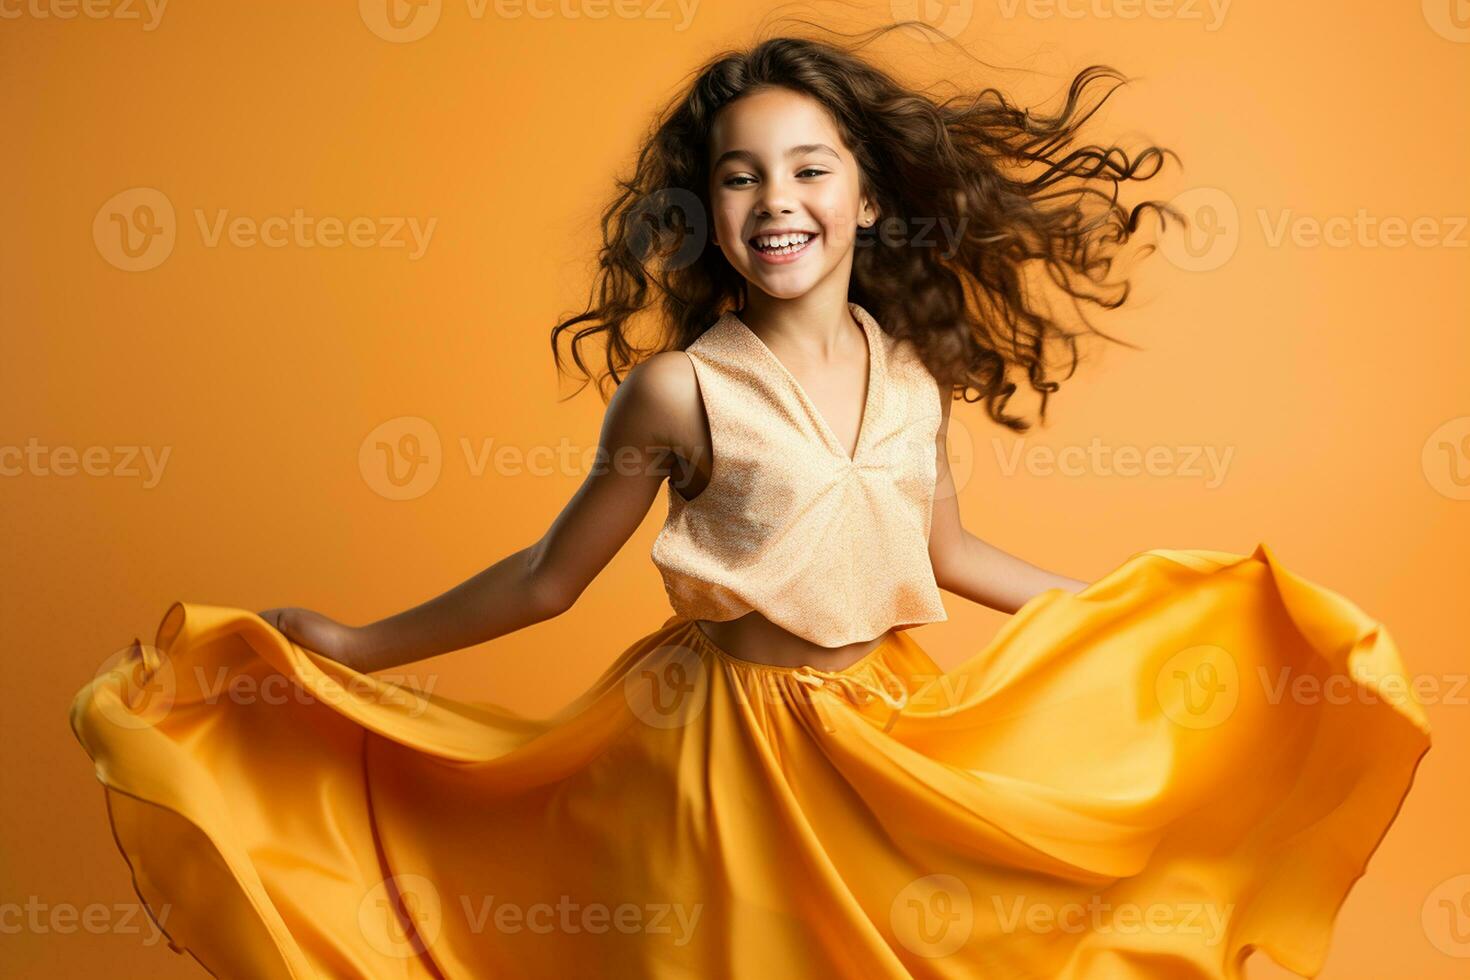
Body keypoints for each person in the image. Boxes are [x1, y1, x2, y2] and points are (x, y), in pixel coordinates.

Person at [69, 26, 1431, 979]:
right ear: (705, 208)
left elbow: (944, 550)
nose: (774, 198)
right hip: (715, 752)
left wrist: (1147, 627)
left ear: (865, 195)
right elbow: (549, 577)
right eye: (738, 173)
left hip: (887, 740)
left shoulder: (909, 374)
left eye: (807, 167)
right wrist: (359, 648)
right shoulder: (675, 395)